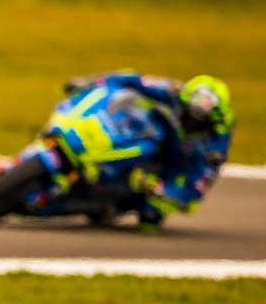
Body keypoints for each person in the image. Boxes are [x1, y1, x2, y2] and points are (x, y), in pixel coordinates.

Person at [58, 72, 235, 230]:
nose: (191, 124)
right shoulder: (174, 93)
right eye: (188, 115)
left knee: (150, 216)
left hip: (177, 166)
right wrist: (90, 82)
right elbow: (132, 79)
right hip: (163, 137)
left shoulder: (213, 150)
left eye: (199, 123)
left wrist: (154, 186)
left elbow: (192, 195)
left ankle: (116, 205)